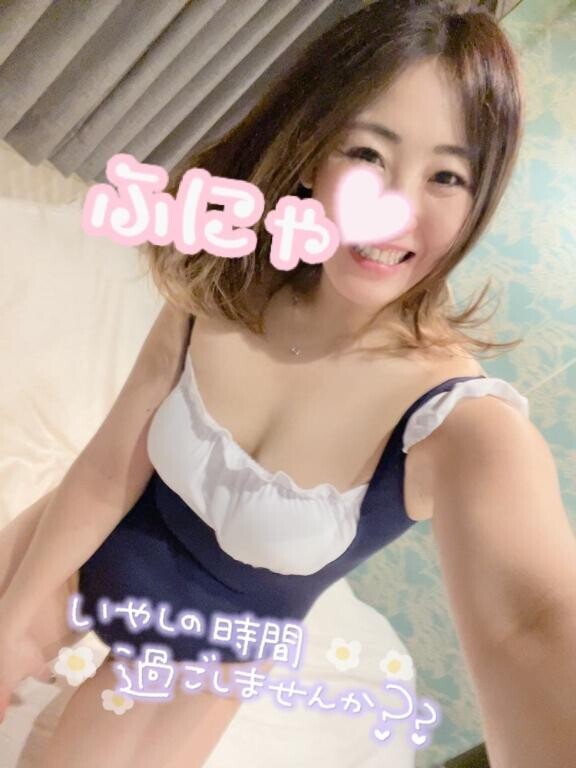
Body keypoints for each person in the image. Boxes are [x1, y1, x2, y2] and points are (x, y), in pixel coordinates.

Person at [1, 2, 575, 766]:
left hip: (198, 660)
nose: (393, 211)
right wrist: (14, 618)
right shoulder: (224, 279)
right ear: (313, 153)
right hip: (88, 538)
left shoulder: (457, 423)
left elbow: (531, 624)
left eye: (446, 175)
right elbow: (109, 469)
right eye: (368, 154)